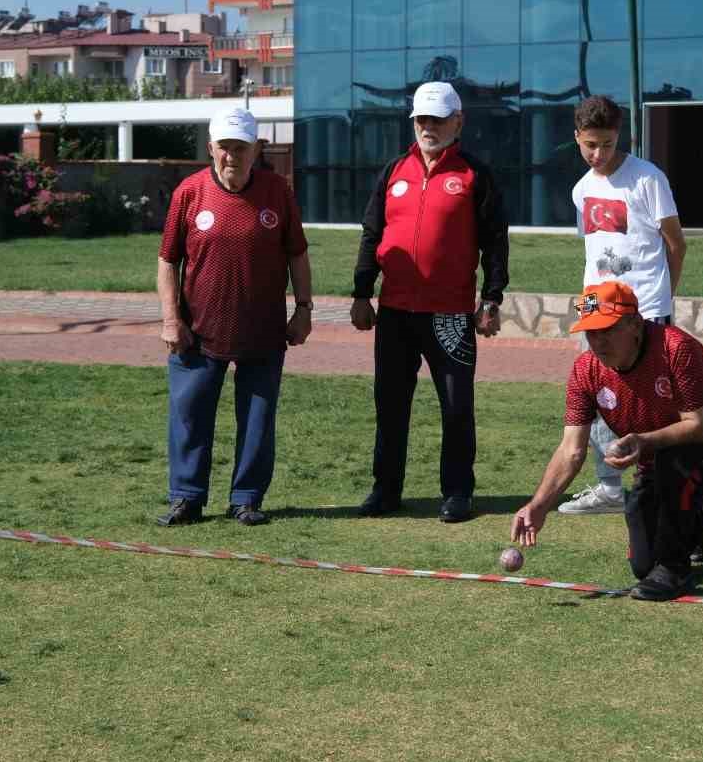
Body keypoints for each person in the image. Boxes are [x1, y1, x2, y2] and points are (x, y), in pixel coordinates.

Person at [511, 281, 703, 601]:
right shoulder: (586, 370)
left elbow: (697, 426)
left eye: (607, 330)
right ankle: (697, 518)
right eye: (590, 332)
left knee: (673, 470)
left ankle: (675, 569)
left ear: (635, 324)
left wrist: (643, 441)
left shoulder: (677, 348)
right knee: (642, 565)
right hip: (657, 453)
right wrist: (538, 505)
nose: (597, 342)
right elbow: (571, 450)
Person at [352, 80, 510, 523]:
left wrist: (492, 297)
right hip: (395, 312)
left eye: (438, 119)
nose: (429, 127)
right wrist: (362, 292)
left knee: (457, 406)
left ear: (458, 121)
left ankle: (458, 493)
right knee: (390, 405)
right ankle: (385, 491)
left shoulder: (474, 175)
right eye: (422, 119)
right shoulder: (393, 172)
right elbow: (371, 234)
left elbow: (496, 242)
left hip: (451, 315)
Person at [155, 107, 313, 527]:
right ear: (211, 148)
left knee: (258, 418)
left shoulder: (278, 191)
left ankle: (246, 498)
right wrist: (171, 319)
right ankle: (186, 497)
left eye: (240, 147)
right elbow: (168, 261)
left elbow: (297, 252)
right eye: (224, 147)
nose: (231, 156)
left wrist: (303, 309)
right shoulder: (188, 193)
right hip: (198, 332)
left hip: (263, 330)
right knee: (189, 415)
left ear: (255, 149)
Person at [557, 94, 688, 518]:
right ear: (577, 138)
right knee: (594, 399)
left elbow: (675, 244)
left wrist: (662, 300)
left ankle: (667, 482)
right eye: (591, 144)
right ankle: (610, 486)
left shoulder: (648, 179)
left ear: (621, 138)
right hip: (595, 310)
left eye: (608, 144)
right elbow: (596, 251)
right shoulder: (579, 189)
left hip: (645, 309)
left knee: (657, 402)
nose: (599, 154)